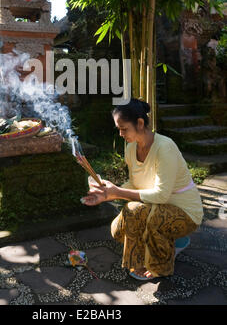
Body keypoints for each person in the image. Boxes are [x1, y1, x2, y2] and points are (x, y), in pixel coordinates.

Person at [82, 98, 204, 281]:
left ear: (140, 123)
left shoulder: (165, 147)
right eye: (119, 129)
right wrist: (106, 194)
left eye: (124, 128)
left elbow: (162, 195)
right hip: (156, 206)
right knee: (119, 229)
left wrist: (118, 192)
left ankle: (158, 266)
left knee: (150, 217)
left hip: (185, 212)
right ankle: (174, 242)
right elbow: (135, 184)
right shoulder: (131, 148)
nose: (121, 134)